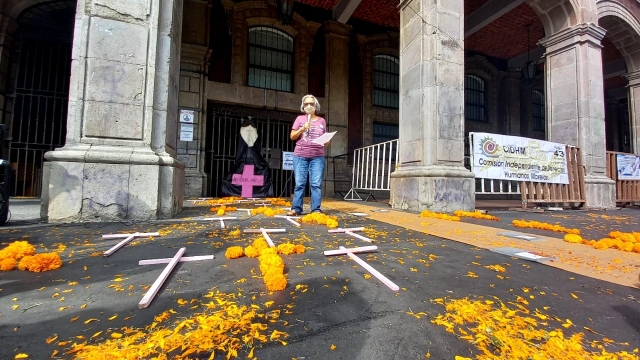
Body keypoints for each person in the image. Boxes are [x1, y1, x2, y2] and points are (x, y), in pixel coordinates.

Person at [287, 95, 328, 216]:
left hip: (318, 156)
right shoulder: (299, 119)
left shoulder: (322, 121)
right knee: (300, 183)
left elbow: (325, 139)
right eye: (306, 104)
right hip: (300, 155)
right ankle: (296, 209)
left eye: (311, 104)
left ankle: (316, 209)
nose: (309, 106)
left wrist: (327, 141)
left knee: (316, 184)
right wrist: (302, 129)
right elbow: (292, 136)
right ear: (303, 106)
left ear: (316, 106)